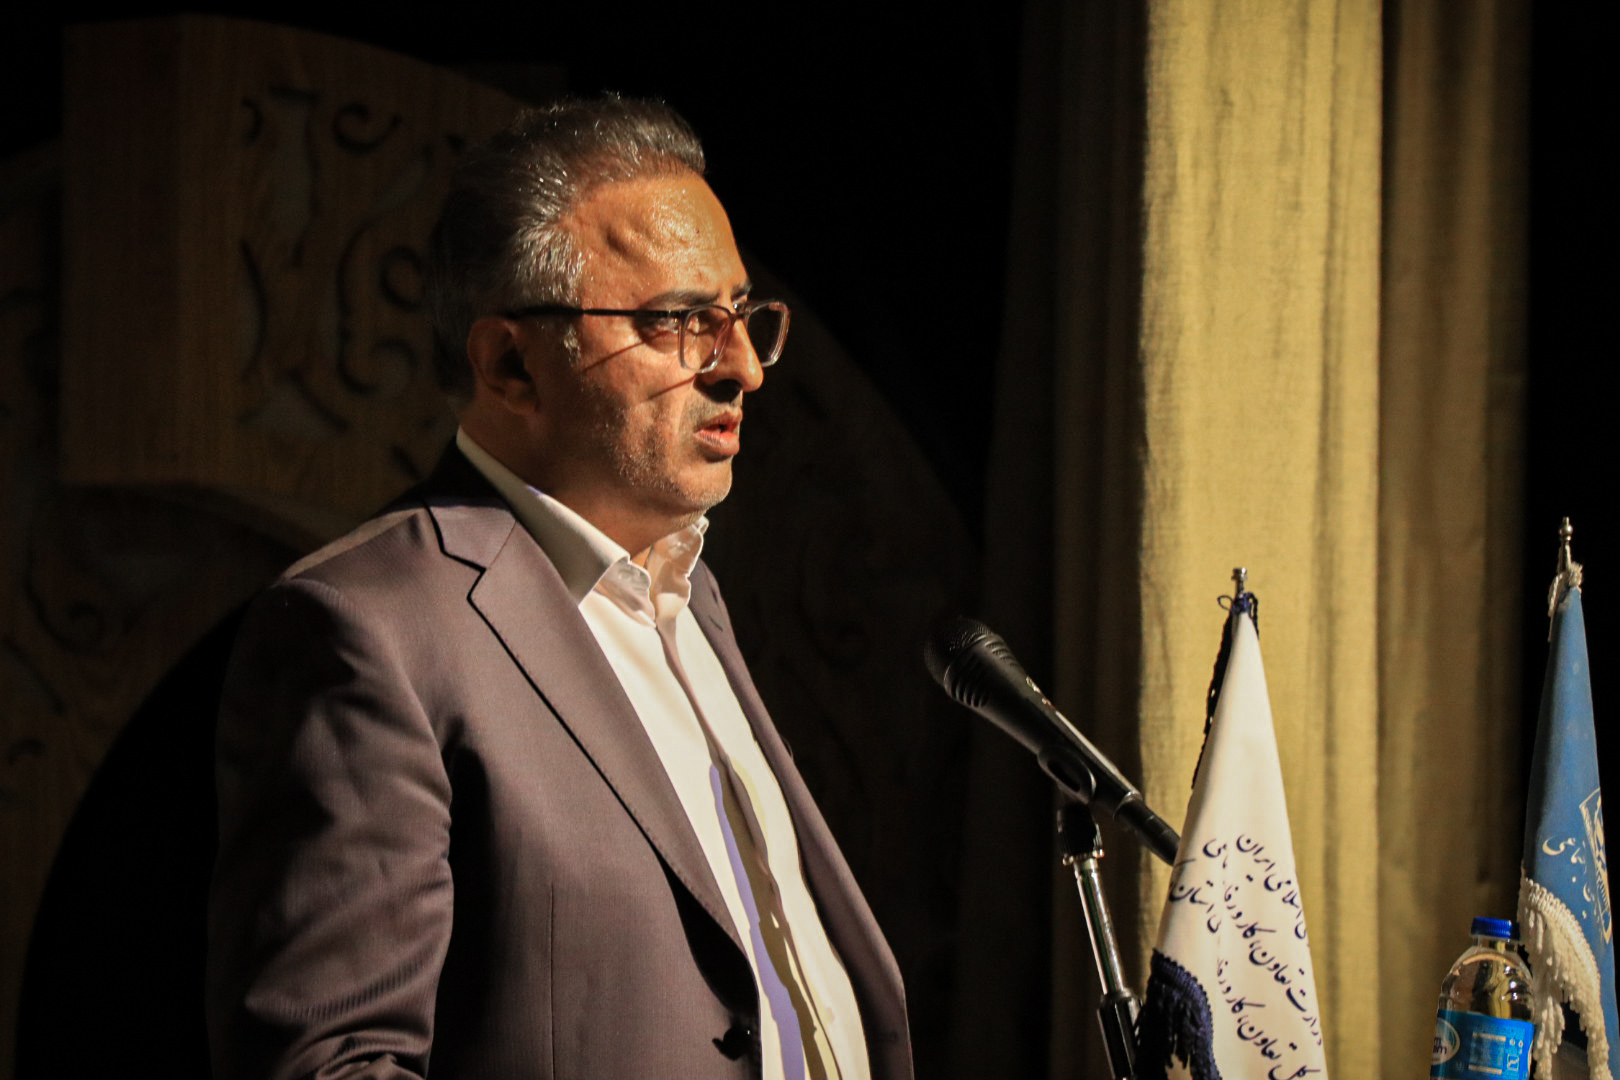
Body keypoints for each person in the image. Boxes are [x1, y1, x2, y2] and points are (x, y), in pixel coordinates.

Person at [205, 97, 912, 1080]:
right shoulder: (366, 629)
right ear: (510, 364)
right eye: (681, 322)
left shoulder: (688, 595)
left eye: (743, 317)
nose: (744, 368)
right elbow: (330, 1063)